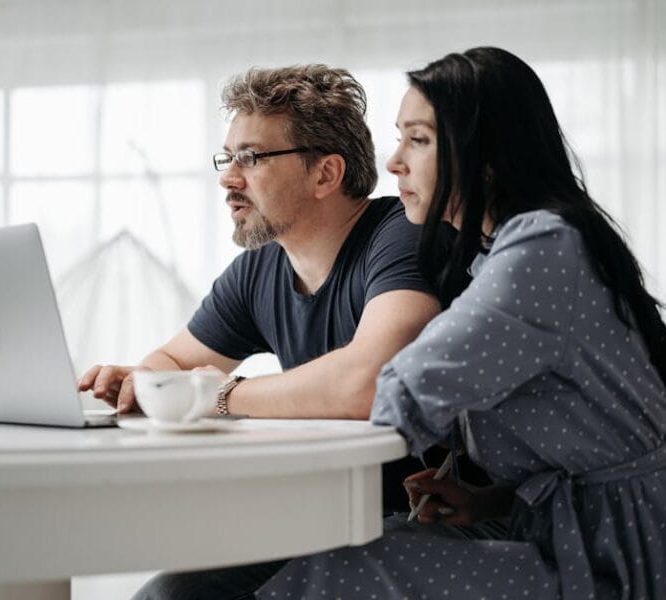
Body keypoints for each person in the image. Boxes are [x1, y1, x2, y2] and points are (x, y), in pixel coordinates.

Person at [258, 47, 666, 599]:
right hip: (569, 529)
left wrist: (226, 400)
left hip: (618, 556)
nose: (394, 163)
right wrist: (488, 501)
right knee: (365, 548)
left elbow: (394, 390)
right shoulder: (513, 248)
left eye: (418, 140)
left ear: (487, 157)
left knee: (340, 567)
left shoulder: (543, 247)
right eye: (399, 138)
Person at [79, 65, 443, 599]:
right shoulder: (259, 268)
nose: (228, 178)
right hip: (330, 517)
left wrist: (218, 395)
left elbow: (368, 384)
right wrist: (146, 383)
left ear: (325, 174)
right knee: (169, 594)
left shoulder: (401, 238)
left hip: (429, 518)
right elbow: (171, 362)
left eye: (250, 158)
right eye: (227, 158)